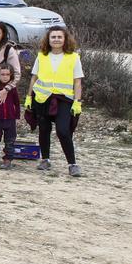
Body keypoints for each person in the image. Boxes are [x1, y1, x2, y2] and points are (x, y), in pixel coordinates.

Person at [27, 26, 84, 177]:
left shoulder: (73, 57)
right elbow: (34, 77)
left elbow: (77, 82)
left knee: (63, 131)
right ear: (48, 39)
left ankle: (72, 164)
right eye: (53, 37)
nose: (56, 39)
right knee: (44, 129)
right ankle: (45, 159)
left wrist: (77, 102)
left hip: (63, 99)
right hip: (41, 97)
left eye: (60, 37)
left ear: (65, 39)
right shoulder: (42, 56)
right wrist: (28, 97)